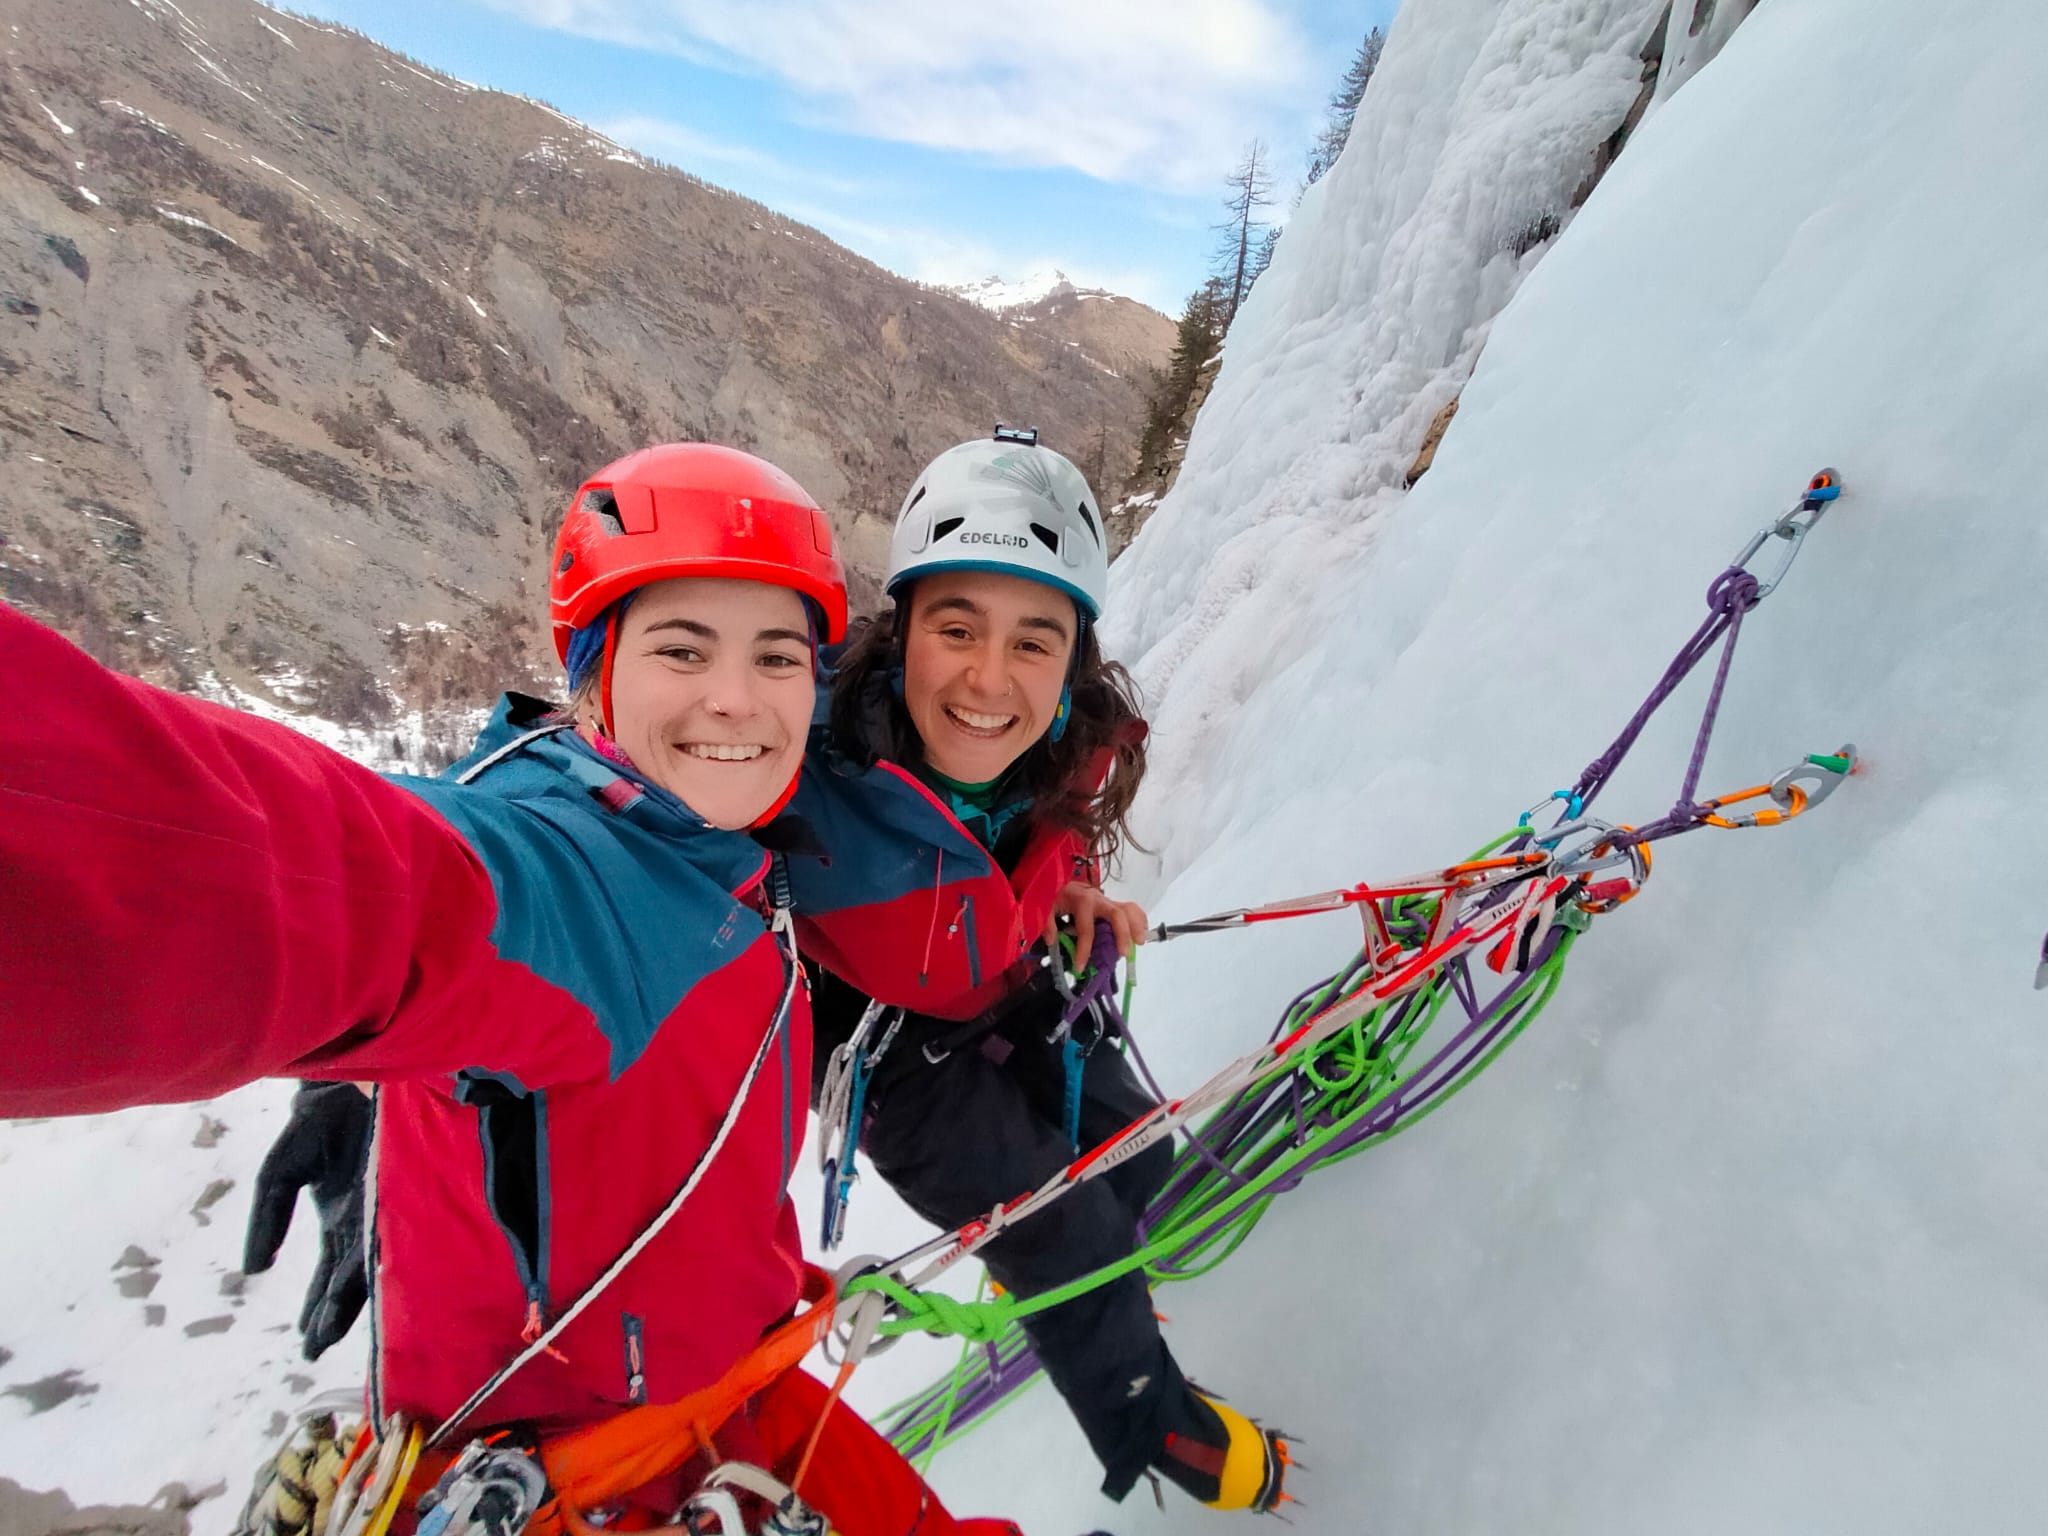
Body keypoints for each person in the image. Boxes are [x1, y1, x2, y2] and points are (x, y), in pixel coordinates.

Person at [0, 443, 1020, 1536]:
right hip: (593, 1482)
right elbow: (312, 877)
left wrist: (366, 1088)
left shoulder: (727, 846)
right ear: (592, 674)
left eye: (776, 657)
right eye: (682, 648)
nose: (735, 700)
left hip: (734, 1400)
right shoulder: (579, 878)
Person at [787, 431, 1291, 1514]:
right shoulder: (806, 754)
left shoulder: (1072, 739)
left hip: (1022, 985)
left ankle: (1129, 1283)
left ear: (1071, 659)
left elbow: (1036, 831)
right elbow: (619, 786)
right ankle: (1151, 1423)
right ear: (901, 631)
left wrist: (1068, 892)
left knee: (1141, 1164)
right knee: (1065, 1229)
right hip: (895, 1060)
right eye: (955, 627)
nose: (986, 676)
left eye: (1032, 640)